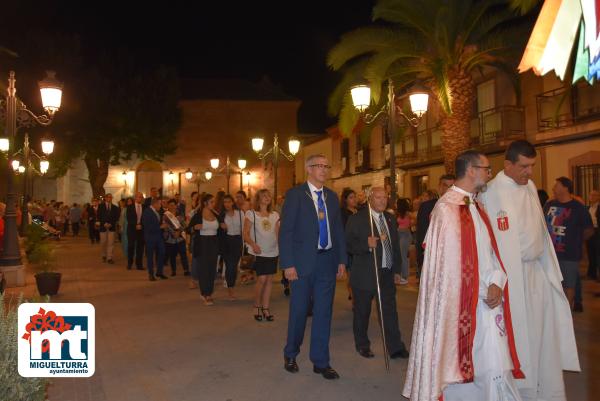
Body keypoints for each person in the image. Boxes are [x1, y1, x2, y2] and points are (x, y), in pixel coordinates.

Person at [404, 150, 524, 401]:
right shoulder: (446, 210)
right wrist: (483, 289)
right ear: (471, 170)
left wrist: (496, 282)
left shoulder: (475, 205)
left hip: (485, 299)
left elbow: (488, 252)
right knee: (464, 366)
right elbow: (449, 270)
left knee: (490, 362)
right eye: (486, 169)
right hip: (462, 306)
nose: (489, 174)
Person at [481, 140, 580, 401]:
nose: (530, 172)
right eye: (524, 166)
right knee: (519, 337)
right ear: (508, 164)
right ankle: (519, 392)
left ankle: (543, 390)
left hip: (537, 273)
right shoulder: (490, 193)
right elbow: (486, 243)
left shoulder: (531, 188)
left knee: (542, 335)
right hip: (512, 278)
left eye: (532, 166)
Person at [280, 153, 347, 380]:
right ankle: (291, 353)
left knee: (324, 313)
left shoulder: (331, 196)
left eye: (327, 166)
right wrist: (288, 264)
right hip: (301, 264)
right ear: (309, 169)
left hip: (327, 261)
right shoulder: (296, 195)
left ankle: (321, 361)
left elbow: (337, 230)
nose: (324, 170)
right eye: (320, 166)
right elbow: (286, 231)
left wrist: (341, 260)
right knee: (299, 311)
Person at [345, 187, 409, 359]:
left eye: (384, 197)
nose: (382, 201)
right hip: (365, 274)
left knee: (389, 312)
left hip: (386, 274)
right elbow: (347, 245)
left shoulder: (389, 218)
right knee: (362, 312)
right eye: (378, 197)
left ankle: (395, 347)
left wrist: (397, 270)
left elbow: (395, 247)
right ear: (370, 199)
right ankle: (362, 344)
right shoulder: (357, 219)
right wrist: (366, 245)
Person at [544, 177, 593, 308]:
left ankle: (567, 313)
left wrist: (575, 240)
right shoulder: (549, 205)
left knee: (569, 285)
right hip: (549, 254)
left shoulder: (578, 208)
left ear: (565, 188)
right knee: (552, 284)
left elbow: (589, 230)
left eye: (557, 185)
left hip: (569, 254)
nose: (554, 188)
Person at [244, 189, 280, 321]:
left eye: (269, 195)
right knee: (261, 279)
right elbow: (245, 234)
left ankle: (266, 307)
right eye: (264, 196)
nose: (267, 198)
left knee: (270, 280)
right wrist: (253, 245)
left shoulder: (275, 215)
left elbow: (277, 234)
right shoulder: (251, 214)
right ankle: (256, 306)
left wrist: (281, 249)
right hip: (259, 252)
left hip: (273, 251)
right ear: (258, 199)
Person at [415, 174, 455, 278]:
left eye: (452, 186)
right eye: (446, 185)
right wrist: (421, 258)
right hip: (433, 255)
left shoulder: (461, 206)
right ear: (440, 187)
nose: (449, 189)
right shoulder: (427, 206)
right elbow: (421, 233)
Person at [189, 193, 219, 305]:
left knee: (212, 269)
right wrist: (194, 227)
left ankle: (209, 293)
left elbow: (221, 226)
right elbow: (188, 228)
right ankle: (205, 294)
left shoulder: (216, 214)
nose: (213, 204)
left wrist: (223, 225)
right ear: (205, 203)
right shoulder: (198, 215)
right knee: (204, 269)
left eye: (214, 201)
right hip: (202, 243)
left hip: (214, 243)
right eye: (211, 202)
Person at [221, 195, 244, 300]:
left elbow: (244, 229)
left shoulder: (240, 213)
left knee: (234, 266)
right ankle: (230, 289)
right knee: (229, 265)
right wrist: (221, 227)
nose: (227, 204)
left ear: (232, 202)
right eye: (225, 202)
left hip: (237, 241)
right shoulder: (221, 215)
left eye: (228, 202)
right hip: (226, 241)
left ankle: (231, 284)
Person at [142, 197, 168, 281]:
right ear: (155, 204)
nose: (160, 206)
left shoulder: (157, 211)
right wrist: (160, 226)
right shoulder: (147, 212)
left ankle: (159, 272)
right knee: (150, 256)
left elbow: (158, 222)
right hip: (150, 237)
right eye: (160, 204)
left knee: (162, 252)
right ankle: (151, 274)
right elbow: (147, 226)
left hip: (158, 236)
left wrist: (162, 223)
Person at [163, 198, 190, 277]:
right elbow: (166, 227)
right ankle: (173, 270)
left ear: (176, 206)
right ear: (168, 206)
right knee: (172, 256)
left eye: (174, 205)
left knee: (183, 255)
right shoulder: (166, 216)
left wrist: (178, 232)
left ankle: (186, 270)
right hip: (171, 239)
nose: (172, 207)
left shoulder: (179, 214)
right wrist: (173, 233)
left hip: (180, 238)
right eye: (170, 205)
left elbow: (184, 225)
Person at [340, 188, 358, 300]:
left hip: (360, 247)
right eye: (351, 197)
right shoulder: (343, 213)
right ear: (345, 200)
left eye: (355, 197)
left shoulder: (359, 211)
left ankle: (355, 295)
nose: (354, 199)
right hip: (349, 248)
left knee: (358, 275)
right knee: (352, 275)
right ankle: (354, 298)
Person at [97, 194, 120, 264]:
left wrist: (111, 224)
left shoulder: (115, 208)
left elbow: (116, 217)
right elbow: (99, 216)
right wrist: (104, 223)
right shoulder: (101, 206)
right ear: (105, 198)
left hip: (111, 227)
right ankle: (104, 255)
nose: (109, 198)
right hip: (103, 227)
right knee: (103, 242)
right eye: (108, 197)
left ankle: (109, 257)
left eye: (110, 197)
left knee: (111, 243)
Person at [126, 192, 145, 270]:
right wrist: (135, 225)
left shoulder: (145, 207)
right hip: (132, 229)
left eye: (141, 197)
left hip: (141, 230)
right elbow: (129, 218)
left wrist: (141, 225)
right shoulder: (129, 207)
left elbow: (145, 218)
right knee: (131, 247)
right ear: (135, 198)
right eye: (139, 197)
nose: (140, 198)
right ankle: (130, 263)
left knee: (140, 248)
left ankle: (139, 264)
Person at [395, 198, 411, 284]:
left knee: (403, 256)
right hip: (399, 234)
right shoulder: (398, 214)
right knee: (400, 255)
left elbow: (410, 224)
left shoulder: (408, 214)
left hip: (405, 234)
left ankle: (405, 276)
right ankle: (401, 275)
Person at [586, 190, 600, 280]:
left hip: (598, 231)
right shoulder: (587, 208)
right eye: (591, 195)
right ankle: (592, 274)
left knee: (598, 253)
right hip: (590, 232)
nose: (592, 197)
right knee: (590, 253)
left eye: (595, 195)